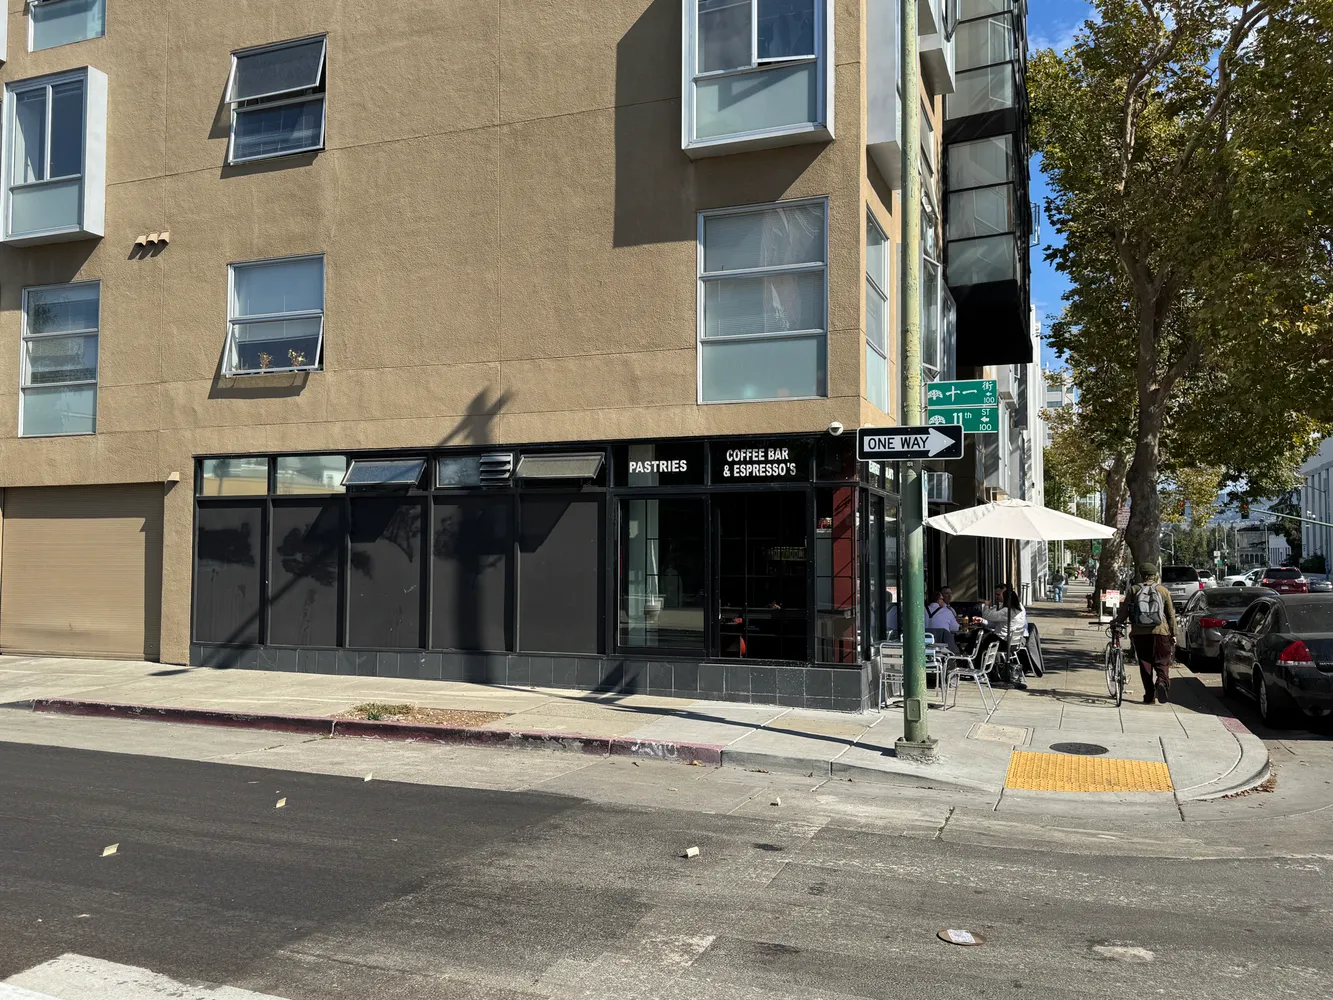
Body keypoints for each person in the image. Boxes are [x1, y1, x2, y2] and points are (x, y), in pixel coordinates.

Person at [1115, 562, 1178, 704]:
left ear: (1141, 575)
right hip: (1161, 632)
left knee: (1145, 664)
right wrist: (1173, 633)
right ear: (1155, 575)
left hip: (1139, 633)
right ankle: (1161, 682)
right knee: (1162, 661)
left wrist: (1117, 622)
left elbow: (1125, 611)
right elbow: (1170, 615)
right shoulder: (1163, 591)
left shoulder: (1133, 590)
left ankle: (1149, 695)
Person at [980, 585, 1028, 690]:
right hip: (1013, 641)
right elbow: (996, 624)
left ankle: (982, 669)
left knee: (982, 641)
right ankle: (987, 669)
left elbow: (988, 616)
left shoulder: (1007, 611)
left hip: (1005, 642)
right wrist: (983, 621)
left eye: (999, 595)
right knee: (987, 638)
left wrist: (986, 606)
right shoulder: (1019, 608)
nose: (997, 597)